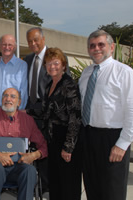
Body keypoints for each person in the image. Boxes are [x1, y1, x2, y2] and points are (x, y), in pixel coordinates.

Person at [79, 30, 133, 200]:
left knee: (112, 191)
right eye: (92, 46)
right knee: (92, 187)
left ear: (112, 47)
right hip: (88, 136)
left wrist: (122, 144)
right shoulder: (85, 74)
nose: (96, 49)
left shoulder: (125, 73)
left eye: (101, 44)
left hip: (112, 138)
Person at [0, 87, 48, 200]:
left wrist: (34, 155)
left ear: (19, 102)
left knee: (30, 170)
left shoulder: (28, 120)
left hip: (19, 166)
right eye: (5, 96)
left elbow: (43, 145)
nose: (8, 99)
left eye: (13, 96)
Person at [24, 27, 71, 193]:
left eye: (36, 39)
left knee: (50, 149)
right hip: (31, 111)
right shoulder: (28, 59)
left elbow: (66, 83)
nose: (33, 43)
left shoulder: (56, 57)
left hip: (50, 113)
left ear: (43, 39)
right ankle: (40, 182)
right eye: (30, 41)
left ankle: (49, 185)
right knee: (37, 148)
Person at [41, 47, 82, 200]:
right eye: (49, 63)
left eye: (56, 63)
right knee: (56, 181)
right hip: (53, 139)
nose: (52, 67)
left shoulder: (69, 85)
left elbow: (75, 118)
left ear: (64, 65)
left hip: (66, 139)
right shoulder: (48, 86)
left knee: (68, 184)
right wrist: (25, 112)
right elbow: (46, 113)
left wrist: (68, 147)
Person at [0, 34, 28, 111]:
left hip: (14, 110)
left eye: (10, 45)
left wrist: (20, 111)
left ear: (15, 47)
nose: (7, 47)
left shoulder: (22, 65)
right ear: (0, 46)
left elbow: (24, 91)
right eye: (4, 44)